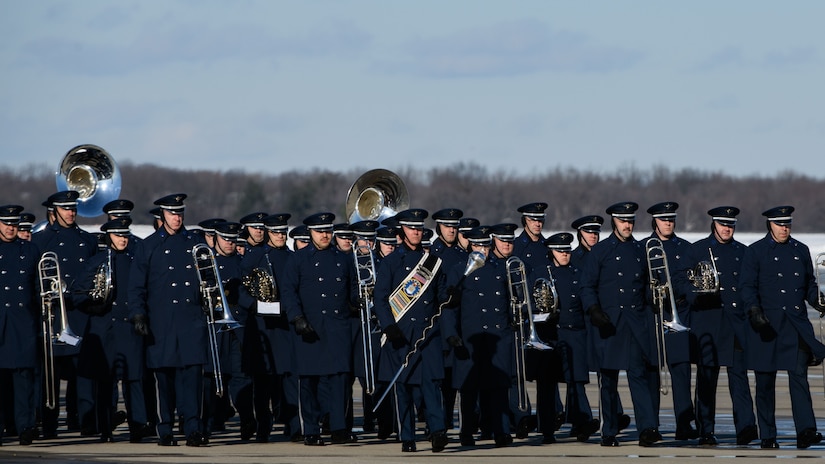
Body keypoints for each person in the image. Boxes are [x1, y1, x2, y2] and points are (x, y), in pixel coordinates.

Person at [739, 206, 825, 449]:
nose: (784, 228)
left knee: (799, 377)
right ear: (770, 225)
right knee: (765, 383)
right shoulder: (756, 252)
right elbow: (747, 287)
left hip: (795, 326)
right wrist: (754, 310)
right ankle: (768, 435)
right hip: (766, 327)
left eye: (787, 223)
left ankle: (806, 431)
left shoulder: (801, 250)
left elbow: (808, 284)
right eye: (779, 224)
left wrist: (818, 299)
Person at [128, 193, 208, 447]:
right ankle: (165, 429)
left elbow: (209, 279)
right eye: (172, 213)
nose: (177, 217)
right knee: (164, 380)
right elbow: (136, 286)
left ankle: (193, 428)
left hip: (191, 320)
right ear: (162, 215)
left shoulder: (194, 242)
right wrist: (138, 313)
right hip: (162, 323)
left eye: (180, 213)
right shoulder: (148, 246)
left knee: (192, 379)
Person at [580, 201, 661, 447]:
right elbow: (586, 286)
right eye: (623, 220)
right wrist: (593, 309)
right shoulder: (600, 251)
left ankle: (648, 428)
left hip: (635, 324)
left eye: (631, 221)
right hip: (608, 324)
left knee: (639, 377)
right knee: (609, 380)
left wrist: (656, 298)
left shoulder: (640, 250)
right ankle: (610, 431)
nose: (628, 225)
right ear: (614, 221)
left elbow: (647, 286)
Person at [373, 208, 450, 453]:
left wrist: (451, 296)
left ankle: (438, 431)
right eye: (411, 228)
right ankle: (407, 436)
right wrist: (389, 326)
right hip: (401, 332)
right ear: (402, 231)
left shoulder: (433, 263)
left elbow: (440, 297)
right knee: (403, 388)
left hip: (428, 333)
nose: (416, 231)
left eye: (419, 228)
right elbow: (381, 298)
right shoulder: (391, 261)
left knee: (431, 386)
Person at [281, 212, 359, 446]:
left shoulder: (343, 258)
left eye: (328, 231)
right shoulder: (298, 259)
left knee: (339, 381)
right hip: (310, 328)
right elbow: (288, 291)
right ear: (310, 233)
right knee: (309, 382)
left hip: (337, 327)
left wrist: (359, 300)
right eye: (319, 231)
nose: (325, 235)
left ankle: (339, 428)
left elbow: (353, 289)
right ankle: (311, 430)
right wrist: (297, 318)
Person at [71, 217, 152, 443]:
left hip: (129, 327)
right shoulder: (97, 261)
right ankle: (105, 428)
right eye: (118, 236)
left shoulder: (136, 261)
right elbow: (77, 293)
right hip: (105, 327)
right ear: (109, 237)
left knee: (133, 380)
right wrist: (94, 304)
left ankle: (138, 426)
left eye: (125, 235)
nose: (123, 239)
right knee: (105, 382)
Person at [687, 206, 757, 446]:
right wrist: (696, 294)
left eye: (731, 225)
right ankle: (705, 429)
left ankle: (746, 427)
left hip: (737, 323)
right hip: (709, 322)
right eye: (723, 224)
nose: (727, 229)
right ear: (713, 224)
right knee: (707, 380)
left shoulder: (744, 252)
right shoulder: (696, 250)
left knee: (739, 378)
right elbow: (682, 283)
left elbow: (750, 286)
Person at [33, 190, 99, 438]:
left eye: (73, 208)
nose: (71, 212)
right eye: (65, 208)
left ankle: (85, 422)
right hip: (52, 318)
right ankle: (48, 425)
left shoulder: (88, 240)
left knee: (83, 374)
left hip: (80, 316)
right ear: (55, 211)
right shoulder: (40, 242)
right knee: (50, 375)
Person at [442, 224, 514, 448]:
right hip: (471, 336)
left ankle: (500, 430)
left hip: (498, 335)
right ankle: (466, 431)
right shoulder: (458, 270)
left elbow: (511, 301)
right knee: (468, 389)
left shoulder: (500, 269)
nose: (482, 250)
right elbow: (449, 307)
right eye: (477, 246)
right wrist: (452, 335)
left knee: (499, 388)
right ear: (470, 246)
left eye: (485, 246)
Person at [535, 232, 599, 443]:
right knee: (547, 385)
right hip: (551, 334)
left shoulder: (578, 273)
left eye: (567, 251)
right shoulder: (541, 274)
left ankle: (582, 423)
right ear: (551, 252)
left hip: (575, 333)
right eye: (560, 251)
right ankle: (546, 428)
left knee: (577, 382)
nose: (565, 254)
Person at [644, 202, 697, 440]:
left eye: (671, 219)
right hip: (652, 317)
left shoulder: (686, 248)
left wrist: (681, 293)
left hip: (679, 315)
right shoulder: (643, 247)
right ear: (655, 221)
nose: (668, 223)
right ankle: (651, 425)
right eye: (664, 219)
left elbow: (690, 281)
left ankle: (684, 424)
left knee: (681, 372)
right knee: (651, 374)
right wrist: (651, 295)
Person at [0, 205, 40, 446]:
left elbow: (37, 287)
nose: (11, 227)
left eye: (14, 224)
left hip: (24, 322)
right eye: (6, 223)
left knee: (24, 379)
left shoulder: (31, 250)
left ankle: (26, 426)